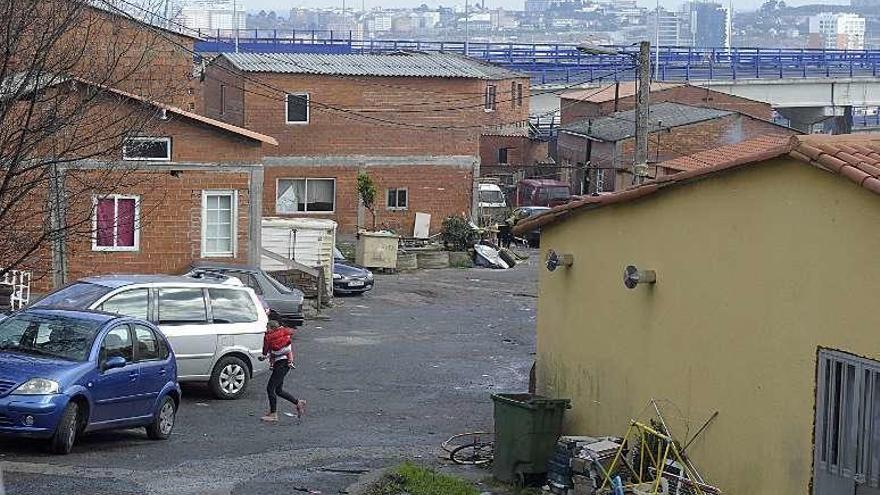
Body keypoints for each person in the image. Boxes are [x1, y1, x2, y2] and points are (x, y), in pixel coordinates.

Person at [260, 320, 305, 422]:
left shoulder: (270, 337)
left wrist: (264, 356)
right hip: (285, 363)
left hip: (280, 364)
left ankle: (273, 414)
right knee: (278, 390)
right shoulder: (283, 334)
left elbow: (266, 350)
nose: (266, 329)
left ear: (271, 328)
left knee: (270, 388)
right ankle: (298, 403)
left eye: (267, 328)